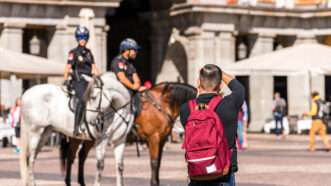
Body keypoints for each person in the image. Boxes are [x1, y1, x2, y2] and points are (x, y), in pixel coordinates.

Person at [180, 64, 245, 186]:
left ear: (198, 82)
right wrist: (220, 72)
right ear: (220, 84)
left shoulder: (186, 109)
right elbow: (238, 88)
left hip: (197, 173)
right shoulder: (230, 104)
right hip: (223, 175)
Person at [63, 25, 99, 136]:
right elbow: (68, 67)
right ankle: (76, 127)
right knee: (82, 99)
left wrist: (101, 77)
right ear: (77, 38)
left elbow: (94, 67)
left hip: (89, 80)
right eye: (80, 37)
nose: (82, 40)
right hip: (78, 80)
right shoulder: (73, 52)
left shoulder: (89, 52)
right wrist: (65, 80)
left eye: (84, 37)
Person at [110, 38, 145, 114]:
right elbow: (122, 78)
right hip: (121, 94)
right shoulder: (117, 61)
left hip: (131, 91)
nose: (136, 52)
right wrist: (133, 87)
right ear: (127, 50)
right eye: (134, 50)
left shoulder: (130, 64)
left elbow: (136, 78)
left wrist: (137, 86)